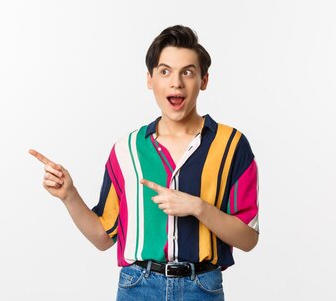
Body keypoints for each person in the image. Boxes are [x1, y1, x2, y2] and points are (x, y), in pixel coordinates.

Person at [29, 25, 259, 301]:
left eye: (187, 72)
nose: (176, 82)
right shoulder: (126, 150)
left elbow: (248, 239)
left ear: (204, 80)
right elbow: (103, 238)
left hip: (203, 288)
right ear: (150, 79)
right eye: (165, 71)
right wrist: (69, 195)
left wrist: (198, 207)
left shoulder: (232, 145)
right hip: (138, 287)